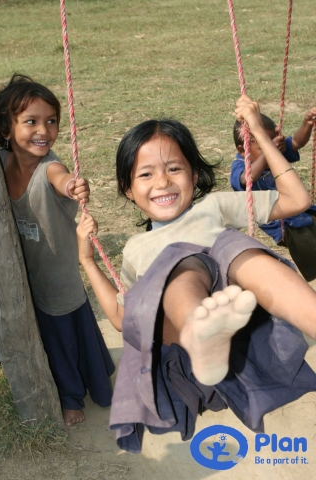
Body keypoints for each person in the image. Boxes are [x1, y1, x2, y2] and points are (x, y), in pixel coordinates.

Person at [77, 95, 316, 453]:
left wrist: (259, 134)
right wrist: (87, 260)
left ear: (194, 174)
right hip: (190, 347)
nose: (163, 182)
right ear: (129, 190)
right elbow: (121, 317)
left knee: (237, 250)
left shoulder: (214, 206)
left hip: (242, 305)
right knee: (181, 263)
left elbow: (296, 200)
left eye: (174, 168)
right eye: (146, 174)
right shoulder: (137, 250)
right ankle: (201, 333)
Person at [0, 74, 115, 427]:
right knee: (50, 332)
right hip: (25, 275)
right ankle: (95, 372)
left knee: (63, 336)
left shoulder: (50, 167)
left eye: (51, 121)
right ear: (6, 129)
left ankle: (70, 396)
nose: (43, 130)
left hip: (58, 276)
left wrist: (72, 184)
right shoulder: (2, 163)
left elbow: (61, 179)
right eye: (31, 121)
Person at [230, 108, 316, 282]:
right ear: (242, 150)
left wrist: (307, 123)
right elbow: (247, 178)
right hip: (285, 225)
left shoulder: (275, 149)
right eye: (263, 146)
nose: (270, 148)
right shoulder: (240, 165)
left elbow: (297, 143)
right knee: (309, 248)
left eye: (272, 141)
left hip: (303, 211)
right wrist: (271, 151)